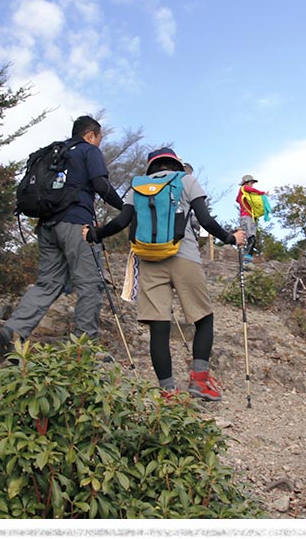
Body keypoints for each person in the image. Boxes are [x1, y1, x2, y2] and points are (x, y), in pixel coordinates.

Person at [84, 148, 245, 401]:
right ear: (176, 164)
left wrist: (95, 234)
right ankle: (200, 382)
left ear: (152, 167)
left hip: (148, 258)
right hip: (185, 256)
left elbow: (121, 222)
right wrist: (230, 237)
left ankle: (167, 392)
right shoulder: (186, 180)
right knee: (203, 318)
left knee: (158, 327)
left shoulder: (137, 186)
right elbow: (204, 219)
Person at [0, 115, 124, 352]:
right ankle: (83, 350)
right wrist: (125, 208)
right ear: (90, 135)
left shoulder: (57, 153)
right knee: (89, 284)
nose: (99, 144)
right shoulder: (88, 150)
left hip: (47, 225)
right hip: (76, 225)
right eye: (99, 139)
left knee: (48, 283)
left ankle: (14, 329)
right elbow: (101, 185)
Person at [236, 174, 267, 264]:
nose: (252, 185)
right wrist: (262, 193)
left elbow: (237, 199)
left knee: (251, 238)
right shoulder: (244, 188)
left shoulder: (243, 193)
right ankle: (246, 260)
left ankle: (247, 258)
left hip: (248, 216)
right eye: (251, 183)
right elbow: (250, 189)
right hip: (246, 217)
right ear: (247, 182)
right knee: (251, 238)